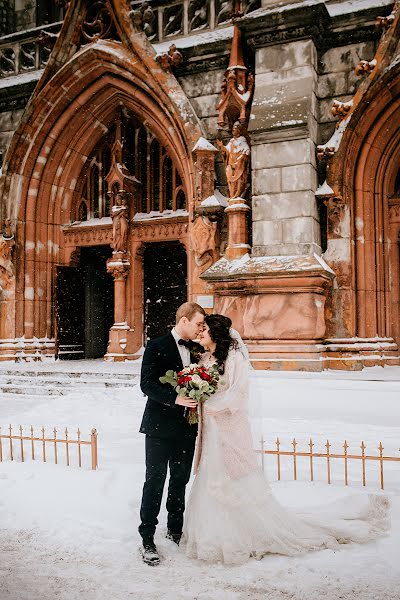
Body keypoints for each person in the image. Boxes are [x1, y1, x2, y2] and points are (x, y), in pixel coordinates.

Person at [181, 314, 391, 565]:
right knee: (210, 479)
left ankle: (242, 533)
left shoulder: (235, 358)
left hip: (229, 429)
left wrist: (212, 404)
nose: (199, 334)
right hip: (210, 432)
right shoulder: (204, 358)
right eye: (199, 329)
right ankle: (211, 535)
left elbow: (239, 395)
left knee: (233, 481)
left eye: (204, 330)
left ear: (215, 333)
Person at [138, 302, 205, 565]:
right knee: (154, 481)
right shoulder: (156, 345)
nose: (201, 329)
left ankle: (175, 530)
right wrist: (175, 398)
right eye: (199, 323)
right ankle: (147, 538)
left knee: (180, 479)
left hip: (187, 427)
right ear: (184, 320)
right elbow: (146, 383)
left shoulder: (199, 350)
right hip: (158, 426)